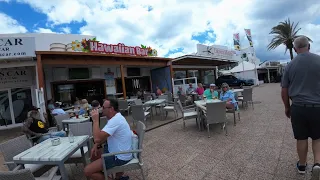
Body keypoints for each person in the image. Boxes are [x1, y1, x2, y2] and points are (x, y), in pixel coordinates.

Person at [281, 36, 320, 177]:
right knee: (317, 137)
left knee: (301, 138)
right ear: (308, 46)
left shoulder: (290, 65)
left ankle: (302, 166)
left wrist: (287, 107)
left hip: (298, 107)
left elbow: (284, 91)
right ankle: (317, 164)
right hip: (318, 107)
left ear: (295, 49)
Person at [84, 99, 132, 180]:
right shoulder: (116, 117)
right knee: (94, 155)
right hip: (119, 151)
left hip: (119, 157)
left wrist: (95, 120)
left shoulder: (115, 120)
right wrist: (97, 145)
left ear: (111, 109)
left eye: (103, 107)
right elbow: (104, 136)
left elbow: (97, 138)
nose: (101, 109)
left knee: (87, 171)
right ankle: (116, 176)